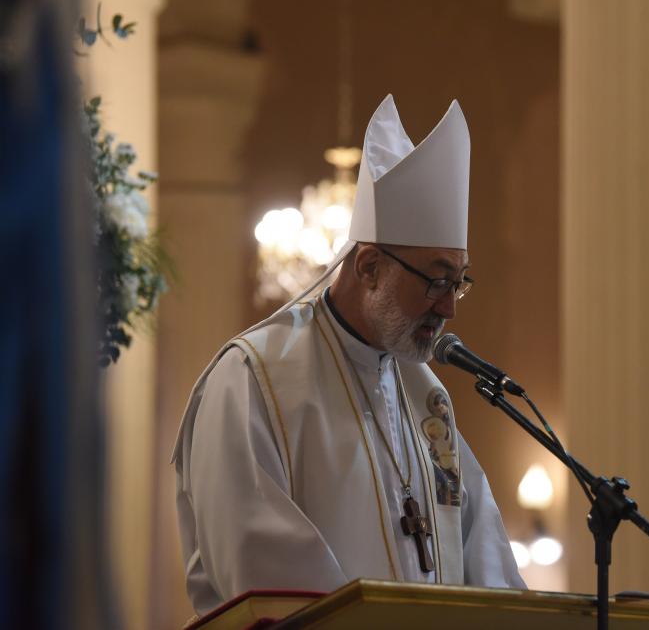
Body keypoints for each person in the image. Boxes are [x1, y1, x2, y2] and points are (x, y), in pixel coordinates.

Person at [172, 95, 526, 615]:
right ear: (368, 267)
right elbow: (264, 575)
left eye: (458, 281)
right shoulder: (255, 379)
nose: (449, 306)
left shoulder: (423, 393)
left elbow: (486, 562)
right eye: (435, 280)